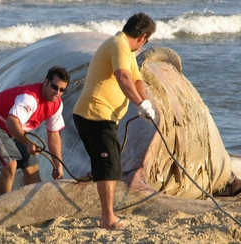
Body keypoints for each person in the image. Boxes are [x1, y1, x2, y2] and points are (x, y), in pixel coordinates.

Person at [72, 12, 156, 230]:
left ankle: (107, 216)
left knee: (112, 166)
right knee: (107, 167)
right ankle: (107, 218)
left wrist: (145, 105)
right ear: (143, 37)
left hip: (104, 117)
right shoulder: (118, 44)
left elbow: (136, 81)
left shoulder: (127, 52)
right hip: (95, 114)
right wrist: (139, 104)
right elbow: (123, 77)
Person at [0, 66, 70, 196]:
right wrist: (28, 143)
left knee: (32, 168)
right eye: (54, 87)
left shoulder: (57, 104)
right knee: (10, 166)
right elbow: (11, 122)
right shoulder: (29, 98)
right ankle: (1, 210)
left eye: (62, 90)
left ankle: (36, 212)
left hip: (14, 130)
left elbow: (53, 135)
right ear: (46, 82)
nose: (57, 93)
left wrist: (58, 164)